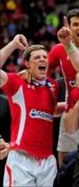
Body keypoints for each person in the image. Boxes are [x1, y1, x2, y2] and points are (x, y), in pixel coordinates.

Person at [1, 35, 59, 186]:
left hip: (47, 160)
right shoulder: (16, 83)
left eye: (45, 57)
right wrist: (13, 45)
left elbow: (51, 111)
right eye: (37, 57)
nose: (42, 60)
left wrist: (74, 106)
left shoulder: (53, 86)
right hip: (21, 158)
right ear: (27, 64)